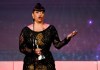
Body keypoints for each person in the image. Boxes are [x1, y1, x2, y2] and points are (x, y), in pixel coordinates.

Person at [19, 3, 77, 70]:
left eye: (42, 12)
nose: (40, 14)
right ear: (33, 15)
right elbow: (22, 48)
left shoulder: (51, 29)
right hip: (30, 64)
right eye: (37, 12)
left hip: (47, 63)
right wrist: (33, 51)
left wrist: (68, 38)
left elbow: (57, 45)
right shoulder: (26, 30)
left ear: (44, 14)